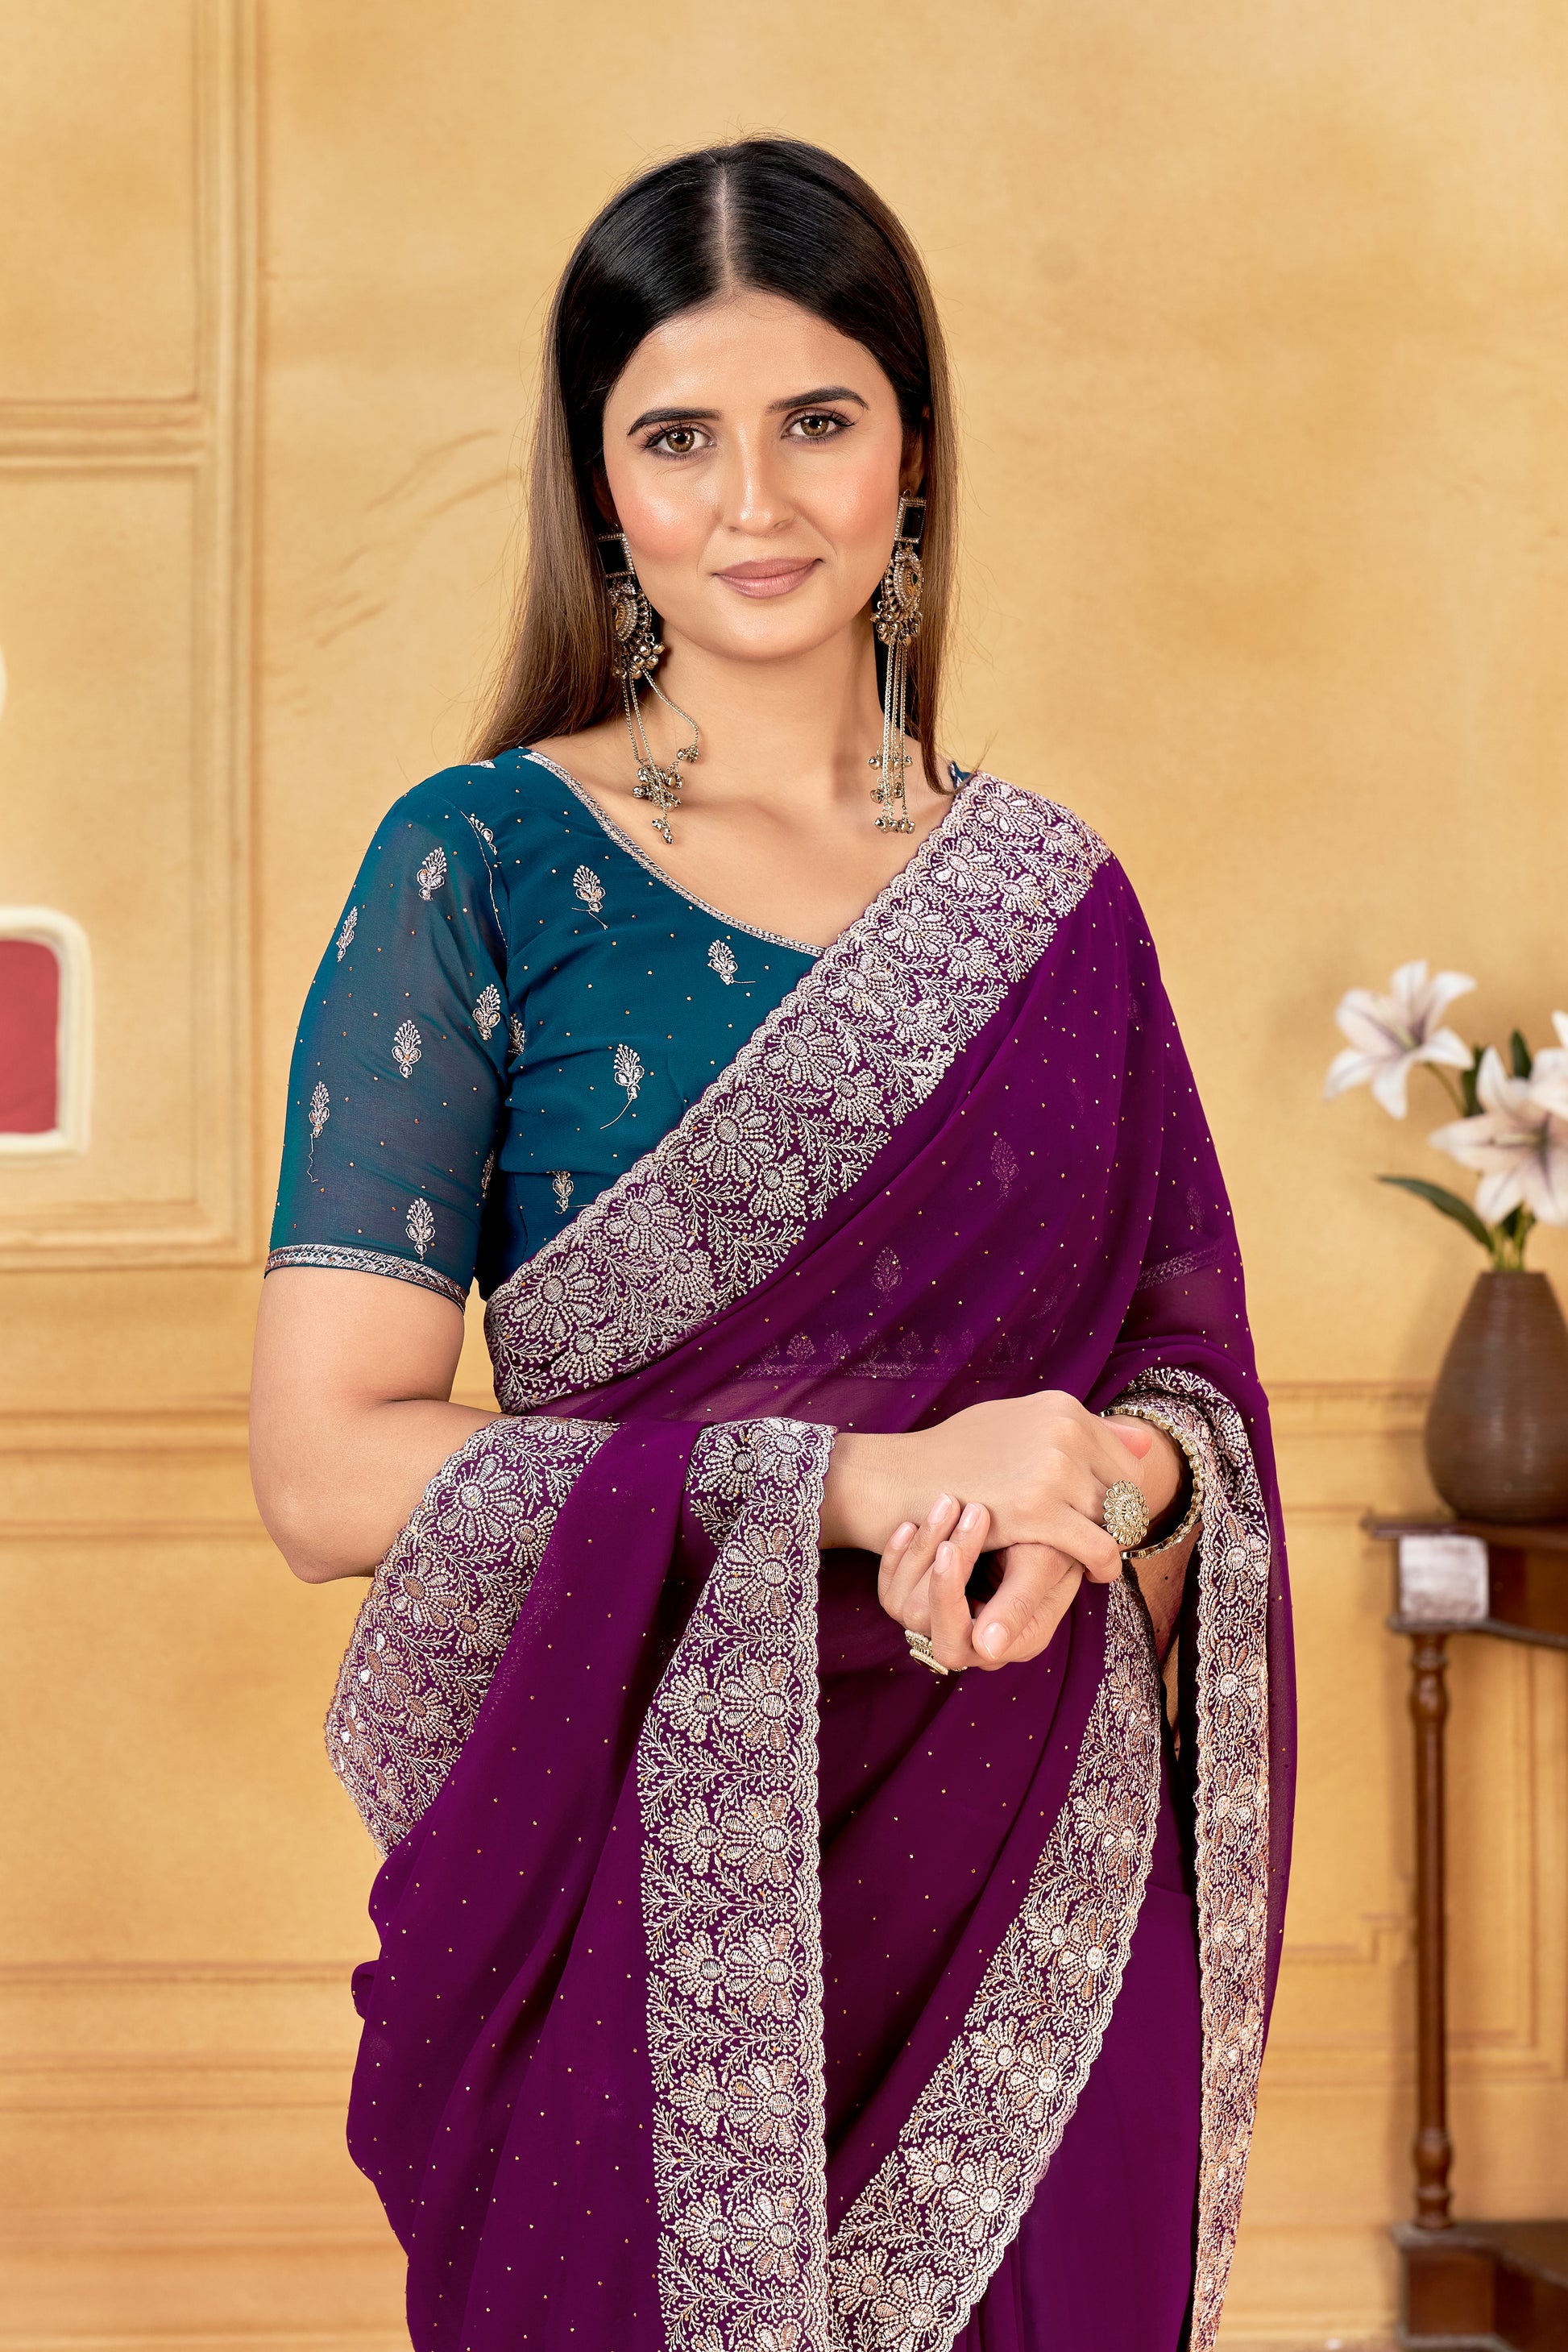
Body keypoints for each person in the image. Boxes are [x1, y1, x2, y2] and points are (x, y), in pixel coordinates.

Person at [249, 136, 1292, 2352]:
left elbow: (1186, 1389)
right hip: (634, 1884)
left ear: (912, 455)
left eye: (816, 419)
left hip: (1033, 1869)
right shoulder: (478, 867)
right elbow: (326, 1470)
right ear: (598, 485)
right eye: (676, 437)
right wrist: (864, 1483)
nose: (753, 501)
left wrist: (1085, 1498)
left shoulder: (1053, 904)